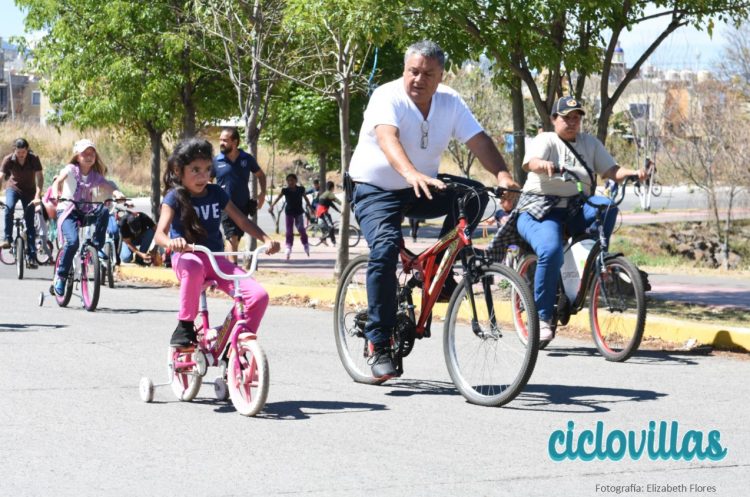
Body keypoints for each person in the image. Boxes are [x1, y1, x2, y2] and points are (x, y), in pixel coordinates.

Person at [348, 40, 519, 380]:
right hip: (375, 189)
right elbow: (387, 138)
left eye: (428, 73)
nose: (418, 79)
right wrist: (411, 173)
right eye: (413, 71)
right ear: (404, 71)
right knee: (383, 250)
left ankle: (436, 272)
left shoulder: (450, 102)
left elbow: (478, 140)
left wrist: (502, 174)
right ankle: (378, 343)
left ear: (441, 76)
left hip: (420, 184)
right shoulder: (387, 96)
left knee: (474, 196)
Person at [496, 96, 647, 342]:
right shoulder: (546, 140)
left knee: (607, 207)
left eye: (577, 117)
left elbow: (611, 171)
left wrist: (632, 173)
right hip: (540, 209)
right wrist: (543, 165)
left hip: (575, 208)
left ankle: (599, 264)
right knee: (551, 249)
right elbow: (529, 163)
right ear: (554, 119)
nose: (572, 122)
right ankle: (543, 317)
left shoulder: (590, 143)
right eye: (566, 117)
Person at [154, 138, 280, 347]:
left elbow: (240, 219)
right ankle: (184, 326)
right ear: (178, 171)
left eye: (207, 169)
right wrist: (172, 243)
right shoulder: (174, 197)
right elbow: (159, 234)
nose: (203, 176)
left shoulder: (216, 193)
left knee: (258, 296)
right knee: (194, 266)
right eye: (195, 170)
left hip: (216, 260)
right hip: (187, 257)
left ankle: (234, 344)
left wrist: (266, 239)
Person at [51, 139, 124, 296]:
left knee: (104, 210)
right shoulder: (71, 169)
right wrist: (57, 191)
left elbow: (108, 185)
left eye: (92, 153)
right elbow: (59, 180)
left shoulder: (94, 176)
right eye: (85, 154)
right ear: (77, 156)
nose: (89, 156)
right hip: (67, 210)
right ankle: (61, 276)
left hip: (84, 210)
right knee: (73, 243)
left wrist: (117, 193)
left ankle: (96, 247)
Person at [212, 127, 267, 263]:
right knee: (232, 236)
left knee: (236, 236)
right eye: (220, 140)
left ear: (235, 142)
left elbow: (260, 175)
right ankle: (232, 271)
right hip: (225, 205)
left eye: (225, 140)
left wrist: (262, 193)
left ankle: (227, 267)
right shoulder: (216, 161)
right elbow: (208, 180)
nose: (221, 143)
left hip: (243, 205)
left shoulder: (246, 159)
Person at [1, 138, 44, 268]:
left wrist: (37, 195)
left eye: (23, 152)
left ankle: (32, 256)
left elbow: (40, 177)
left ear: (27, 150)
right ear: (15, 150)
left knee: (30, 222)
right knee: (8, 208)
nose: (21, 155)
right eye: (18, 152)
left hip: (29, 191)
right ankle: (7, 238)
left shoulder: (33, 158)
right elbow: (1, 176)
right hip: (13, 188)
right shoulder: (8, 159)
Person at [268, 173, 312, 260]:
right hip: (289, 213)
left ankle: (305, 244)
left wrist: (310, 207)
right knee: (289, 231)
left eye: (292, 180)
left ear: (296, 181)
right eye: (288, 181)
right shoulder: (285, 190)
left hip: (299, 212)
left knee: (301, 229)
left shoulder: (301, 189)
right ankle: (288, 247)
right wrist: (272, 205)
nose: (290, 182)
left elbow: (306, 198)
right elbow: (278, 198)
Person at [315, 180, 341, 246]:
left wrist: (338, 210)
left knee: (326, 227)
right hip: (323, 212)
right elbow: (337, 201)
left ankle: (324, 240)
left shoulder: (325, 193)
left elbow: (331, 204)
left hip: (320, 211)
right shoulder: (330, 193)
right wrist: (344, 205)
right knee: (331, 226)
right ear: (332, 187)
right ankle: (332, 241)